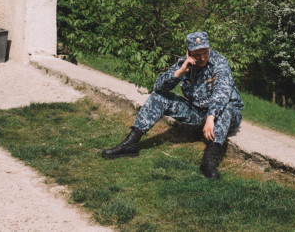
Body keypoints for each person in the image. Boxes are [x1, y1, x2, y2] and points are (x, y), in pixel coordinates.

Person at [101, 31, 245, 179]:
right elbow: (159, 87)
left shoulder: (220, 62)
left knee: (226, 108)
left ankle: (209, 161)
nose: (202, 58)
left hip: (225, 113)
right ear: (188, 52)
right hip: (198, 113)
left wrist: (211, 117)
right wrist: (181, 71)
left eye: (205, 53)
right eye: (197, 55)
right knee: (159, 97)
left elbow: (222, 93)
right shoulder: (184, 63)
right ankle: (130, 144)